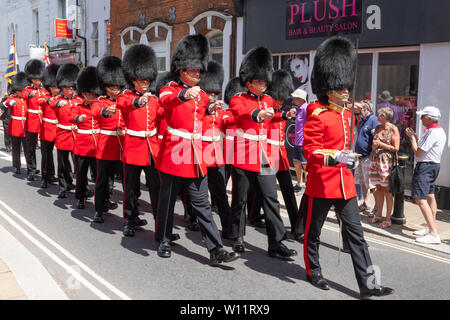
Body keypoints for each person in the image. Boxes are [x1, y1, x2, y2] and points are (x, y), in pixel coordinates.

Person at [301, 36, 394, 299]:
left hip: (345, 184)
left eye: (346, 86)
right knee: (313, 232)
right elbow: (311, 151)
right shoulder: (316, 112)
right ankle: (313, 271)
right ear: (328, 88)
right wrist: (338, 157)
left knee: (357, 235)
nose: (346, 90)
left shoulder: (345, 114)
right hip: (322, 182)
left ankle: (368, 283)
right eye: (340, 87)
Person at [155, 34, 239, 266]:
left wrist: (211, 110)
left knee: (202, 203)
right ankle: (163, 239)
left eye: (198, 71)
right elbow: (166, 101)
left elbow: (200, 119)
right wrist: (183, 95)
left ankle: (216, 249)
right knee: (169, 200)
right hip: (174, 151)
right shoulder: (169, 88)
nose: (196, 74)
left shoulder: (202, 95)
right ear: (181, 70)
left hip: (195, 154)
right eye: (192, 71)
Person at [228, 46, 297, 259]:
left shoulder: (267, 100)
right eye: (259, 81)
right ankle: (238, 237)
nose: (263, 85)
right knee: (240, 199)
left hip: (264, 156)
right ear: (249, 82)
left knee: (271, 198)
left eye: (264, 82)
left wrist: (283, 116)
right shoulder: (238, 98)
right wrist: (258, 114)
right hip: (243, 154)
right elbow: (242, 114)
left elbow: (271, 116)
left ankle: (275, 243)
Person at [117, 44, 160, 236]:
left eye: (147, 79)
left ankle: (161, 225)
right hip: (134, 147)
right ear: (133, 79)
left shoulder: (154, 99)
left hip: (152, 149)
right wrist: (137, 101)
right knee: (131, 188)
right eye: (141, 79)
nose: (145, 82)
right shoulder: (125, 96)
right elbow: (124, 105)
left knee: (156, 189)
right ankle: (129, 220)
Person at [91, 56, 127, 223]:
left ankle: (130, 216)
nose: (116, 88)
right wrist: (106, 112)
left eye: (117, 85)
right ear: (105, 87)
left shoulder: (124, 100)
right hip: (106, 146)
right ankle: (98, 210)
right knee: (102, 181)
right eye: (112, 86)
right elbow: (96, 113)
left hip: (123, 146)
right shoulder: (100, 101)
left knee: (128, 183)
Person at [198, 60, 231, 235]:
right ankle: (194, 218)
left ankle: (227, 225)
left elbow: (230, 121)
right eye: (209, 93)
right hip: (200, 154)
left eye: (214, 93)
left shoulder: (221, 111)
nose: (212, 96)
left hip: (217, 156)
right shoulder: (197, 110)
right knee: (199, 194)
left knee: (220, 194)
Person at [406, 106, 446, 244]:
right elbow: (425, 147)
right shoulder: (439, 130)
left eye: (423, 116)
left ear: (429, 118)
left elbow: (418, 152)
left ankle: (433, 234)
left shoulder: (431, 132)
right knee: (430, 196)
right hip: (433, 165)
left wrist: (411, 138)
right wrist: (416, 137)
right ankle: (430, 227)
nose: (421, 118)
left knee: (420, 199)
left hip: (425, 167)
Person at [71, 66, 101, 209]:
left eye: (93, 94)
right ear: (83, 94)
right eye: (88, 94)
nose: (91, 96)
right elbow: (71, 116)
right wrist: (78, 118)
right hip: (82, 146)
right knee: (81, 174)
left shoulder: (99, 105)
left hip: (97, 146)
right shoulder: (78, 106)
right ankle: (80, 197)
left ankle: (102, 199)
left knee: (99, 176)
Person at [51, 63, 81, 198]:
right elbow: (49, 102)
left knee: (79, 166)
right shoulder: (57, 100)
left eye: (72, 87)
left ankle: (79, 188)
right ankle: (62, 187)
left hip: (77, 135)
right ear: (62, 87)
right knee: (62, 164)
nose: (70, 89)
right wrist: (57, 103)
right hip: (63, 135)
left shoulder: (79, 100)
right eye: (67, 87)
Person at [368, 107, 400, 229]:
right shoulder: (377, 128)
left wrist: (381, 144)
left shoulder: (393, 129)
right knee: (378, 188)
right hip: (376, 160)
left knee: (387, 191)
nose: (377, 115)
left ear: (384, 116)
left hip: (387, 162)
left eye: (379, 114)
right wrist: (374, 148)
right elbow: (374, 144)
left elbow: (396, 148)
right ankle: (379, 215)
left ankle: (387, 219)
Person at [23, 59, 47, 181]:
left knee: (44, 148)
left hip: (42, 121)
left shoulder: (44, 91)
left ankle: (45, 172)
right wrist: (29, 95)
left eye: (40, 79)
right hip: (32, 121)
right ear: (32, 79)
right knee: (31, 147)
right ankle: (31, 169)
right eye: (36, 79)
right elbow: (24, 95)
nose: (38, 81)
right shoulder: (27, 90)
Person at [354, 100, 379, 213]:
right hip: (360, 156)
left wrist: (372, 153)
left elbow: (376, 138)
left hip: (368, 157)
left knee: (371, 183)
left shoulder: (373, 120)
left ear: (367, 110)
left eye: (362, 109)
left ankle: (374, 206)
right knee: (363, 182)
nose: (360, 111)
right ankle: (365, 202)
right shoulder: (363, 120)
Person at [38, 64, 61, 188]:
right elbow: (40, 101)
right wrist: (50, 100)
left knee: (62, 157)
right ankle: (45, 177)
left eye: (57, 87)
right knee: (46, 155)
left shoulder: (64, 98)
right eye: (52, 87)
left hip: (60, 130)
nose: (55, 89)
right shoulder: (45, 97)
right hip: (47, 129)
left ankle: (61, 178)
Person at [3, 72, 29, 174]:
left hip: (26, 126)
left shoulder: (27, 99)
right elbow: (5, 103)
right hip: (15, 127)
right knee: (16, 148)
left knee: (28, 149)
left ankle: (30, 167)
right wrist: (10, 102)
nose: (20, 92)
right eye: (19, 91)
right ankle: (16, 166)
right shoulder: (12, 98)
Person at [292, 88, 308, 194]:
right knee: (296, 162)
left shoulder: (306, 108)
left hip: (303, 141)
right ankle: (300, 183)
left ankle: (307, 186)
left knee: (305, 164)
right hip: (298, 141)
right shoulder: (300, 108)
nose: (293, 99)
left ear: (300, 98)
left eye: (295, 97)